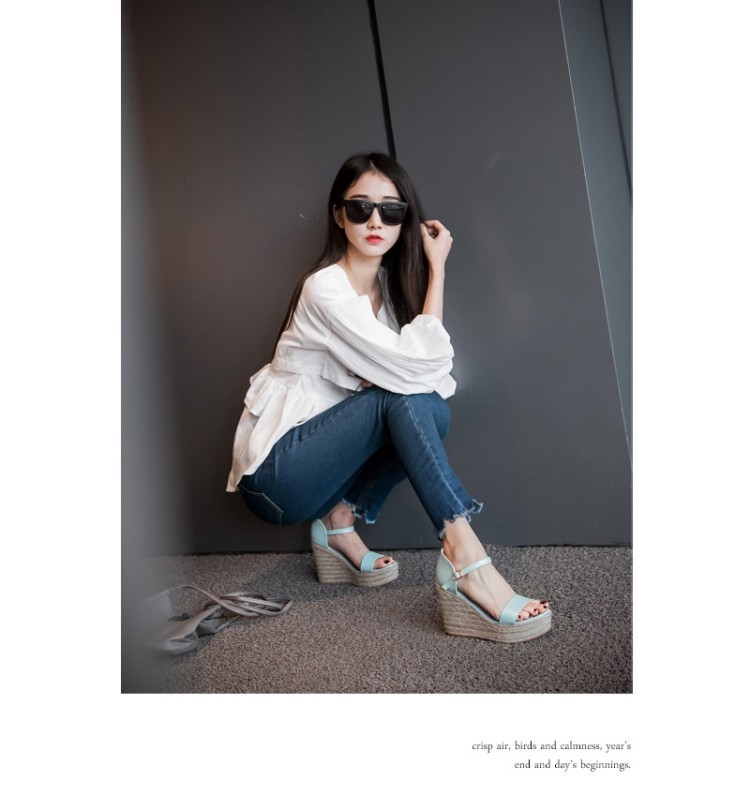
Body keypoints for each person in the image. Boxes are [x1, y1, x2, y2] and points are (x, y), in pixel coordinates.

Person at [227, 153, 550, 642]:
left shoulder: (384, 290)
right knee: (404, 401)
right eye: (360, 208)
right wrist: (437, 274)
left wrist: (435, 269)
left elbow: (430, 379)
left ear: (405, 220)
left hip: (321, 473)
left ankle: (337, 524)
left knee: (429, 410)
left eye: (391, 210)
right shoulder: (325, 289)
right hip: (276, 477)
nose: (375, 221)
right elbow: (418, 370)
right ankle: (466, 557)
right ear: (339, 216)